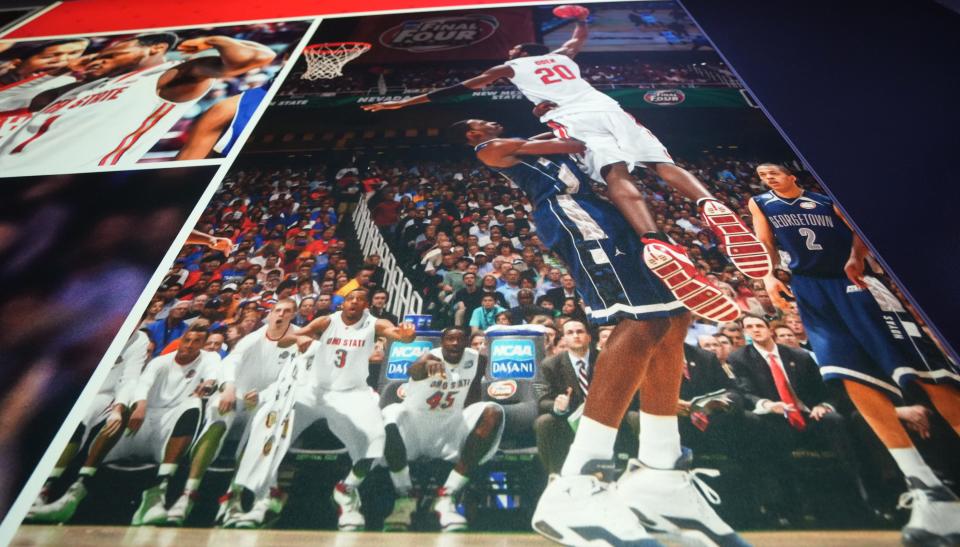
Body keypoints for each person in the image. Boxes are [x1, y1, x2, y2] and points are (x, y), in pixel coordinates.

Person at [453, 118, 745, 545]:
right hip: (574, 215)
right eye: (479, 123)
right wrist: (587, 126)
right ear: (470, 136)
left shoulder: (544, 144)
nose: (489, 124)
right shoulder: (495, 149)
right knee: (642, 321)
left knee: (672, 319)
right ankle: (576, 481)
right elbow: (566, 141)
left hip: (606, 211)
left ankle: (660, 475)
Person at [362, 9, 771, 285]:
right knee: (661, 162)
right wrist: (581, 18)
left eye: (513, 50)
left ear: (523, 54)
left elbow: (457, 89)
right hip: (607, 107)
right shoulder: (565, 57)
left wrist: (403, 102)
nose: (510, 53)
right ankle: (710, 205)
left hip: (572, 118)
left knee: (616, 174)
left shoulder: (513, 66)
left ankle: (654, 241)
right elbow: (579, 36)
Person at [750, 163, 960, 543]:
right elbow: (764, 244)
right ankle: (930, 491)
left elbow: (860, 231)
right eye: (763, 175)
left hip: (853, 281)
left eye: (774, 173)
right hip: (810, 289)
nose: (767, 179)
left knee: (927, 375)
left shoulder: (827, 197)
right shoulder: (761, 203)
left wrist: (857, 256)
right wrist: (768, 274)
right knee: (847, 375)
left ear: (792, 175)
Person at [231, 289, 417, 530]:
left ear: (366, 306)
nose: (354, 302)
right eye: (350, 299)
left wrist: (407, 336)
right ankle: (265, 497)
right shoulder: (326, 320)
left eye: (360, 300)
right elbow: (283, 341)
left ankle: (346, 490)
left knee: (377, 439)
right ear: (344, 304)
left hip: (352, 393)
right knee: (268, 423)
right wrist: (298, 339)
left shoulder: (374, 323)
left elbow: (397, 334)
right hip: (313, 391)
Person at [0, 32, 276, 175]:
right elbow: (15, 98)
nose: (100, 55)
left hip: (50, 186)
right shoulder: (79, 87)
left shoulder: (166, 77)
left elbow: (252, 57)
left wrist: (212, 40)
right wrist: (61, 71)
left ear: (155, 48)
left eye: (113, 51)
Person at [30, 324, 219, 525]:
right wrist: (139, 404)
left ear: (203, 344)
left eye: (196, 341)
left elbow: (213, 375)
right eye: (187, 340)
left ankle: (157, 495)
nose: (189, 345)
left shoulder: (209, 358)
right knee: (114, 408)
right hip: (141, 422)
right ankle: (70, 491)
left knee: (193, 405)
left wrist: (208, 384)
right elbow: (143, 383)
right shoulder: (160, 362)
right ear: (180, 340)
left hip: (168, 426)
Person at [165, 299, 298, 526]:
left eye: (287, 312)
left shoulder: (296, 339)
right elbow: (232, 361)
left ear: (292, 316)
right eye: (278, 310)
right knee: (218, 412)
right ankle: (188, 494)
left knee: (264, 423)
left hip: (264, 401)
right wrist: (229, 387)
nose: (281, 314)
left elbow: (291, 377)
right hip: (236, 395)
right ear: (271, 313)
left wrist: (263, 397)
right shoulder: (254, 337)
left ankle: (233, 498)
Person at [381, 327, 504, 531]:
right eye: (450, 339)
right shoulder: (429, 358)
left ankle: (447, 495)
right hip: (416, 423)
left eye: (460, 339)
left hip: (450, 424)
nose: (455, 343)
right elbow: (414, 370)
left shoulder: (477, 359)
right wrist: (424, 364)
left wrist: (471, 421)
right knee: (389, 414)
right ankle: (404, 498)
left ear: (467, 342)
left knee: (493, 411)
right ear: (442, 342)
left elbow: (473, 394)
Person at [26, 329, 148, 522]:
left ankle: (78, 486)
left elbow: (130, 378)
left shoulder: (140, 340)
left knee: (108, 416)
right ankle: (43, 489)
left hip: (107, 395)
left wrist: (119, 407)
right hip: (75, 387)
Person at [0, 38, 90, 146]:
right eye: (48, 56)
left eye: (74, 53)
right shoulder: (7, 86)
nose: (64, 60)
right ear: (16, 63)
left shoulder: (72, 86)